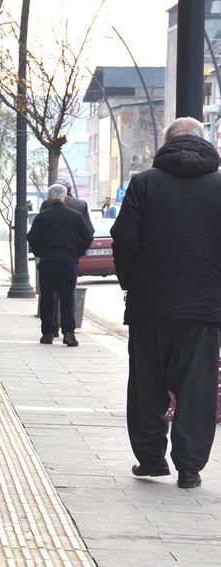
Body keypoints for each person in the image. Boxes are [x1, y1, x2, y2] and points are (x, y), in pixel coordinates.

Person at [111, 117, 221, 489]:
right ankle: (189, 468)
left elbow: (124, 237)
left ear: (166, 142)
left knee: (146, 383)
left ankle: (151, 458)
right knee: (197, 388)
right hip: (204, 308)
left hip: (151, 305)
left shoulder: (144, 183)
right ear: (204, 141)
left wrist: (132, 283)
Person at [27, 184, 94, 347]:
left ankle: (48, 333)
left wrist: (40, 253)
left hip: (48, 263)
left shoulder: (42, 216)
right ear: (65, 198)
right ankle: (69, 333)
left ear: (49, 199)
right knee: (67, 298)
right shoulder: (75, 216)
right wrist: (77, 252)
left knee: (47, 297)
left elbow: (31, 238)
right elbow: (88, 236)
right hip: (68, 262)